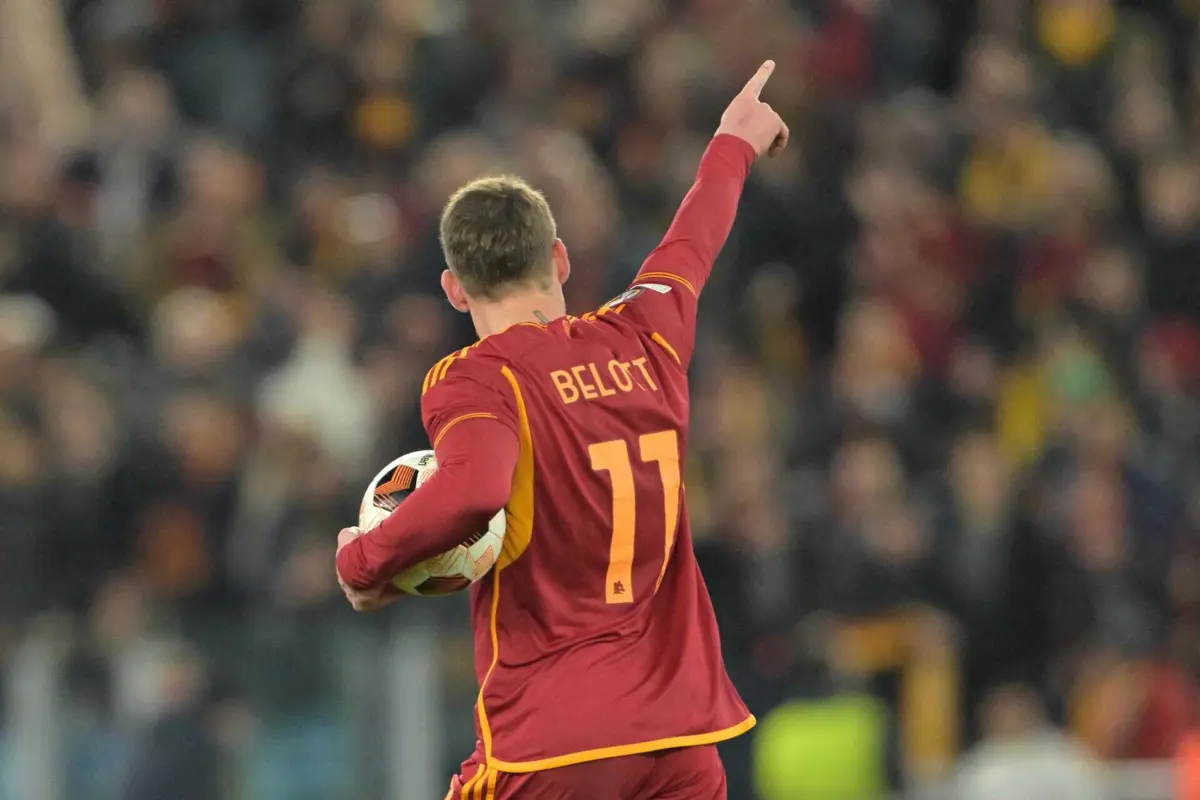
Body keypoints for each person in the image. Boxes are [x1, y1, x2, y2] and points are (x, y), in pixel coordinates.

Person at [335, 61, 789, 799]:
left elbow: (472, 490)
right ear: (560, 258)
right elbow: (693, 239)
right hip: (681, 737)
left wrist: (364, 564)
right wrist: (732, 141)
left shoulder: (477, 379)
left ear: (454, 288)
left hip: (554, 743)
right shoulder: (649, 332)